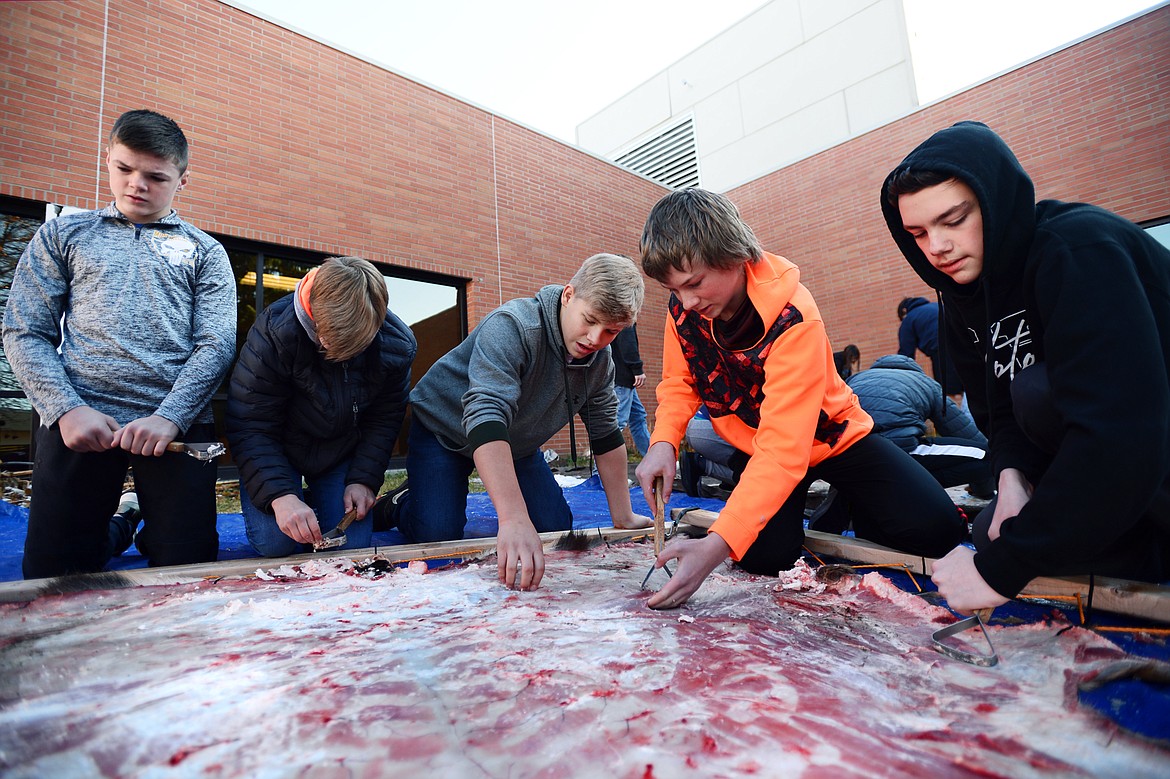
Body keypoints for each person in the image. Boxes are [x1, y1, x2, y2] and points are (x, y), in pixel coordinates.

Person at [881, 120, 1170, 614]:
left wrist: (1001, 572)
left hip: (1146, 441)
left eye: (953, 220)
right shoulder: (960, 302)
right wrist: (1014, 480)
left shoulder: (1077, 251)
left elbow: (1122, 428)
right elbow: (999, 413)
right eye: (918, 233)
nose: (937, 247)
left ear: (995, 203)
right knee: (989, 528)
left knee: (1039, 392)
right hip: (1111, 459)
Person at [635, 188, 964, 609]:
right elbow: (681, 383)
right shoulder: (684, 308)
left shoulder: (793, 315)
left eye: (695, 284)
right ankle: (782, 501)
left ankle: (849, 494)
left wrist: (713, 549)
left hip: (832, 437)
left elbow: (785, 449)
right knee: (764, 558)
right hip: (761, 445)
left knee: (937, 530)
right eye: (674, 289)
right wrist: (663, 441)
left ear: (734, 255)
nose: (687, 301)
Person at [2, 109, 237, 578]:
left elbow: (216, 345)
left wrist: (171, 417)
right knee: (57, 576)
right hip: (80, 419)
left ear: (182, 180)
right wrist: (65, 409)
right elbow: (26, 330)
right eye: (124, 169)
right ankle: (122, 524)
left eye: (156, 176)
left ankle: (138, 523)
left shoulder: (205, 252)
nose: (137, 185)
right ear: (107, 159)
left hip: (177, 428)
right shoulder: (63, 234)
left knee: (187, 571)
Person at [378, 253, 652, 591]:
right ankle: (399, 503)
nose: (595, 339)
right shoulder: (514, 326)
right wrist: (512, 518)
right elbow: (486, 414)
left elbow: (605, 433)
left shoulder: (599, 361)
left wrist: (622, 515)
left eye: (611, 331)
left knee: (554, 525)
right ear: (569, 296)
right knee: (438, 532)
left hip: (515, 441)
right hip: (445, 430)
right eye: (590, 319)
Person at [224, 256, 416, 557]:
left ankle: (371, 503)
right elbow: (250, 423)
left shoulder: (396, 345)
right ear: (316, 320)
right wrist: (280, 495)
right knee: (277, 544)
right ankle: (298, 496)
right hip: (277, 449)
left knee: (349, 547)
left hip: (339, 451)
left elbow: (384, 420)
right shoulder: (274, 331)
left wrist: (363, 480)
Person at [846, 354, 993, 497]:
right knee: (988, 455)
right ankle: (917, 488)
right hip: (901, 450)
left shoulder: (854, 380)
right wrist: (984, 491)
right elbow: (964, 432)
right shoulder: (925, 382)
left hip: (853, 458)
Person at [897, 296, 963, 403]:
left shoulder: (909, 319)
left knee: (949, 391)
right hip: (963, 343)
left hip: (942, 350)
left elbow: (906, 353)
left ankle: (959, 416)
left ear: (904, 312)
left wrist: (901, 376)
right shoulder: (937, 306)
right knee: (970, 385)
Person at [611, 324, 651, 456]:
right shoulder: (626, 314)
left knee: (638, 418)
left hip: (623, 380)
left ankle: (653, 461)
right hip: (622, 378)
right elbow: (627, 342)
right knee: (617, 423)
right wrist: (637, 369)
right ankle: (598, 472)